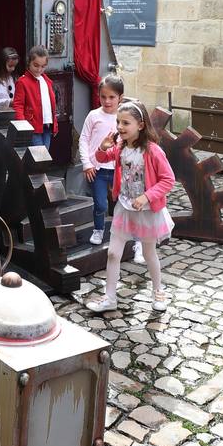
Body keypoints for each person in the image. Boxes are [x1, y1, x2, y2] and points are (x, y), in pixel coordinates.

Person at [85, 100, 175, 314]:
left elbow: (168, 179)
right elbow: (101, 158)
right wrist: (101, 148)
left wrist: (146, 196)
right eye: (118, 122)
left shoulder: (153, 151)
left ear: (141, 126)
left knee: (149, 252)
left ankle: (158, 291)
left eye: (126, 123)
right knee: (113, 253)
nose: (120, 127)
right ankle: (109, 297)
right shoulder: (120, 148)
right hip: (124, 207)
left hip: (146, 212)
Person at [80, 74, 124, 245]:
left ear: (120, 97)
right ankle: (98, 230)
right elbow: (83, 139)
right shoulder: (93, 115)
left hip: (118, 168)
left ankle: (125, 233)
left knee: (123, 203)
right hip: (96, 169)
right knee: (100, 204)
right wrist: (86, 163)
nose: (107, 101)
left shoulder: (124, 116)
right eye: (103, 97)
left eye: (112, 97)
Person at [12, 45, 59, 148]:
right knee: (38, 158)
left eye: (43, 66)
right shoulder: (22, 82)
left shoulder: (46, 81)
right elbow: (18, 105)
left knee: (44, 157)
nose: (39, 69)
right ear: (29, 62)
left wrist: (55, 125)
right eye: (36, 65)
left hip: (47, 126)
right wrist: (22, 125)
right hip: (31, 127)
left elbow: (50, 105)